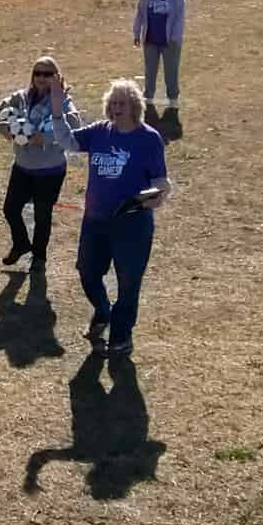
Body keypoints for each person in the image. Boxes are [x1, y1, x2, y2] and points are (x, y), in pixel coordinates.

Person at [49, 77, 170, 358]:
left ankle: (121, 335)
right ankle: (103, 312)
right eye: (113, 103)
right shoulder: (99, 132)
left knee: (129, 282)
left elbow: (161, 181)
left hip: (133, 223)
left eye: (122, 104)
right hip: (96, 220)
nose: (116, 108)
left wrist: (159, 196)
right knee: (87, 272)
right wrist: (57, 112)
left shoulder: (148, 139)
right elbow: (67, 141)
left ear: (134, 107)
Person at [0, 56, 80, 267]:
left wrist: (45, 139)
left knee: (42, 215)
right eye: (37, 73)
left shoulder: (63, 101)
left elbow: (74, 125)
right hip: (22, 167)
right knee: (10, 209)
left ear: (57, 77)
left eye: (47, 74)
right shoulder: (21, 97)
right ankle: (21, 244)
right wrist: (2, 127)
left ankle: (39, 257)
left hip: (50, 170)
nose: (41, 77)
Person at [132, 0, 187, 137]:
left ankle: (173, 102)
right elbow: (140, 13)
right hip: (151, 39)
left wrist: (174, 37)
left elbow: (179, 17)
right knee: (150, 70)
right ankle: (148, 100)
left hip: (169, 41)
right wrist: (136, 33)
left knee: (171, 71)